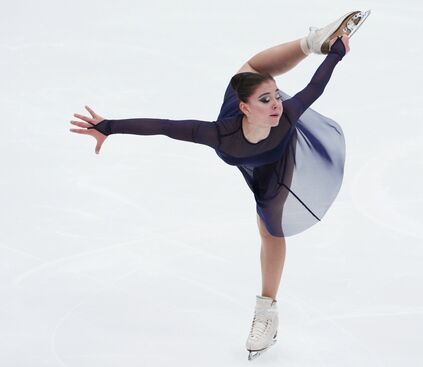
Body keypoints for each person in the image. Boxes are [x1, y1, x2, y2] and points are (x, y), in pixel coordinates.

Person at [69, 9, 370, 360]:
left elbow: (315, 86)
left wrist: (336, 53)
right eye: (266, 100)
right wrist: (109, 126)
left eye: (276, 97)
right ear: (243, 108)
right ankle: (311, 41)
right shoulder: (218, 134)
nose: (277, 104)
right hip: (243, 131)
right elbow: (165, 125)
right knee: (250, 72)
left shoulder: (284, 116)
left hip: (275, 159)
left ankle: (266, 311)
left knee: (271, 228)